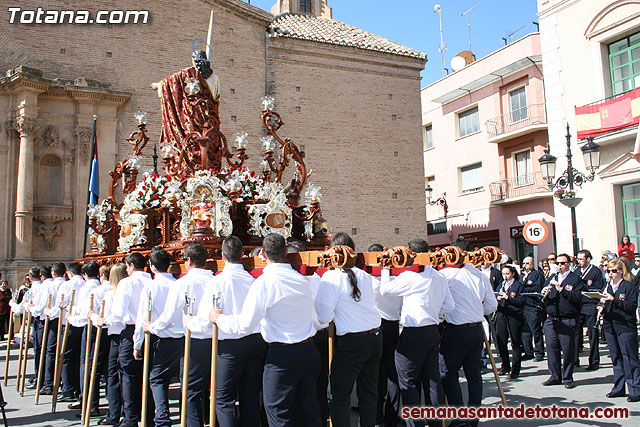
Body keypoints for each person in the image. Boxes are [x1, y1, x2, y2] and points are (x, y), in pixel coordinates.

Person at [211, 233, 321, 427]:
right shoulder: (302, 280)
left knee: (278, 412)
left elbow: (244, 324)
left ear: (262, 253)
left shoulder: (264, 282)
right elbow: (316, 318)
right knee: (308, 411)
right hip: (308, 350)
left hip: (282, 355)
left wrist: (219, 318)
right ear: (286, 252)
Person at [187, 237, 266, 427]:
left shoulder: (218, 282)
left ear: (222, 256)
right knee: (250, 395)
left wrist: (190, 323)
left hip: (231, 345)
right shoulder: (252, 280)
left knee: (223, 399)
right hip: (255, 341)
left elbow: (208, 320)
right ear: (242, 255)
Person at [379, 238, 454, 427]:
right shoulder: (439, 276)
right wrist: (433, 311)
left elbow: (385, 289)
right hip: (432, 331)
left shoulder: (411, 277)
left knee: (407, 381)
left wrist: (386, 267)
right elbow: (450, 305)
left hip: (413, 333)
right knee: (432, 381)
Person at [315, 233, 381, 427]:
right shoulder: (365, 276)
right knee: (368, 393)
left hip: (352, 342)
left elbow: (323, 316)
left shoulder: (331, 277)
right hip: (375, 337)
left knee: (338, 395)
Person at [146, 242, 213, 427]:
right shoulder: (214, 280)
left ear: (188, 261)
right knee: (209, 387)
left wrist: (151, 327)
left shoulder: (183, 283)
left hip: (194, 340)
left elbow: (168, 316)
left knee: (191, 390)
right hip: (216, 340)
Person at [438, 239, 497, 427]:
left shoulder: (445, 275)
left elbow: (440, 305)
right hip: (477, 329)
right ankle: (473, 417)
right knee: (474, 375)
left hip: (455, 330)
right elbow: (492, 306)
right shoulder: (479, 274)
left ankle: (459, 416)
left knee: (448, 372)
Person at [134, 247, 180, 427]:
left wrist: (137, 343)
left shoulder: (151, 288)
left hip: (162, 337)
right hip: (183, 337)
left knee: (158, 379)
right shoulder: (177, 284)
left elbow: (141, 318)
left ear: (152, 267)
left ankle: (162, 418)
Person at [112, 253, 153, 427]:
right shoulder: (152, 281)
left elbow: (118, 312)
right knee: (148, 374)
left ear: (130, 265)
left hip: (130, 330)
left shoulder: (126, 283)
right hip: (151, 331)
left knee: (128, 374)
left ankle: (130, 417)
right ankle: (148, 416)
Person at [368, 243, 402, 427]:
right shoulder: (396, 278)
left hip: (376, 327)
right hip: (393, 324)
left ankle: (377, 417)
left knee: (376, 374)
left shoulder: (367, 279)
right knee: (392, 373)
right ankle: (391, 416)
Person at [541, 253, 585, 389]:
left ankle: (567, 377)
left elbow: (577, 298)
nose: (559, 266)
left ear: (569, 264)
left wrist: (561, 289)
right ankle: (555, 375)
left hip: (568, 318)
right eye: (557, 263)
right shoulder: (551, 278)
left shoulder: (575, 279)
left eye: (562, 263)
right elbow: (544, 298)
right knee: (551, 348)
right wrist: (544, 293)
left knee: (567, 350)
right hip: (552, 318)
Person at [600, 258, 640, 401]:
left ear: (621, 272)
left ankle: (635, 389)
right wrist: (601, 306)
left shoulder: (628, 286)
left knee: (630, 358)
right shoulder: (608, 286)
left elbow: (631, 306)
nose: (610, 274)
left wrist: (614, 300)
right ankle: (618, 388)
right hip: (611, 326)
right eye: (608, 271)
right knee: (616, 358)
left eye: (614, 271)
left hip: (625, 327)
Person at [93, 263, 127, 426]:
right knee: (127, 376)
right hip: (129, 335)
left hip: (116, 336)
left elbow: (107, 319)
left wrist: (96, 318)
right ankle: (128, 411)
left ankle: (113, 414)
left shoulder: (111, 294)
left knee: (113, 375)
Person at [575, 250, 605, 371]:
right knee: (576, 333)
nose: (579, 262)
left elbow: (598, 288)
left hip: (591, 305)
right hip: (578, 305)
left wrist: (585, 286)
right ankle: (575, 359)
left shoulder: (595, 271)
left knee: (592, 334)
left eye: (582, 259)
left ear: (588, 259)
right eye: (578, 259)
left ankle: (594, 361)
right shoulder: (576, 271)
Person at [493, 265, 525, 378]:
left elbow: (521, 301)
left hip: (514, 316)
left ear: (513, 274)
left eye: (507, 274)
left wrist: (508, 298)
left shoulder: (518, 285)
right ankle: (505, 366)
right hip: (502, 314)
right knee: (501, 341)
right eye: (503, 274)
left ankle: (516, 369)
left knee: (515, 343)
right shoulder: (501, 285)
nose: (505, 276)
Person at [520, 256, 545, 362]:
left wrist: (526, 286)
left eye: (527, 263)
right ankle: (528, 351)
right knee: (525, 330)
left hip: (532, 305)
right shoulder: (521, 276)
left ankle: (539, 352)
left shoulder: (537, 274)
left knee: (535, 330)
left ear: (532, 264)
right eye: (524, 263)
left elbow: (538, 288)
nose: (525, 266)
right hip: (522, 305)